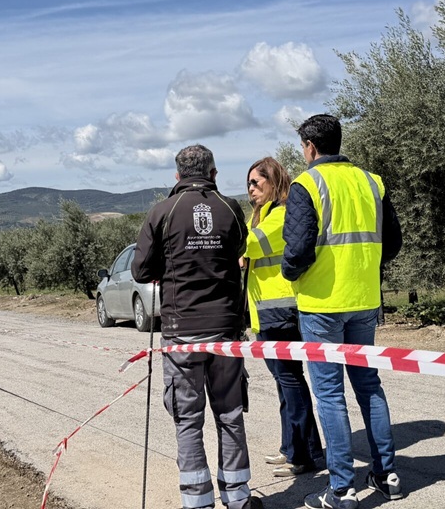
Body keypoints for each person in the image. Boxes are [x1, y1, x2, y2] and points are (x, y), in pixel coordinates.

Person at [281, 114, 404, 509]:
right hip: (365, 300)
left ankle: (342, 490)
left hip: (321, 306)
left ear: (311, 147)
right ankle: (388, 475)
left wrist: (289, 272)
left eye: (303, 148)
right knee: (369, 386)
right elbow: (394, 241)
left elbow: (298, 250)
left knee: (330, 396)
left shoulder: (307, 184)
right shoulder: (372, 181)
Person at [132, 144, 263, 509]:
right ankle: (239, 498)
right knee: (231, 416)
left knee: (188, 421)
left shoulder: (162, 211)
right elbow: (237, 250)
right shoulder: (230, 208)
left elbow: (141, 270)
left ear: (177, 176)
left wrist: (173, 265)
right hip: (225, 330)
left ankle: (197, 502)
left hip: (181, 331)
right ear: (214, 174)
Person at [241, 157, 325, 479]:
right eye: (248, 183)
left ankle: (302, 456)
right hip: (266, 314)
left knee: (290, 382)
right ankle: (293, 447)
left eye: (256, 183)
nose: (250, 189)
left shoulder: (281, 214)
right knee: (284, 384)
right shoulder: (261, 215)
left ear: (273, 182)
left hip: (281, 312)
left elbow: (251, 245)